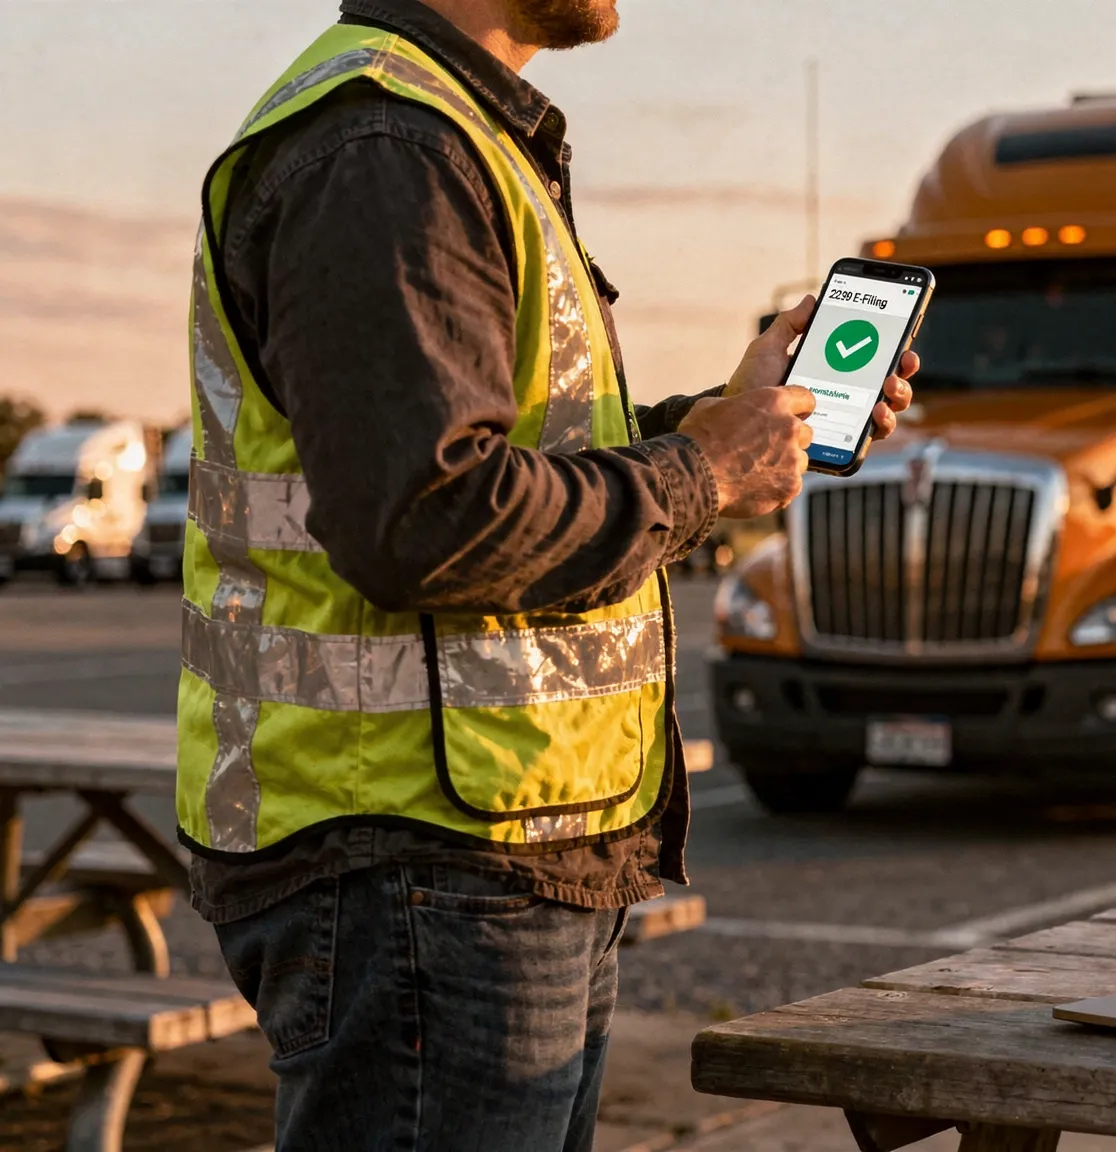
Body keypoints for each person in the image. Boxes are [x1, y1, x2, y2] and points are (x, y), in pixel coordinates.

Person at [177, 1, 915, 1147]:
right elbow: (428, 519)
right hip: (423, 863)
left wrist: (714, 432)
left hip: (498, 847)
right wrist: (703, 471)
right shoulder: (389, 148)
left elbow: (515, 465)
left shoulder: (448, 132)